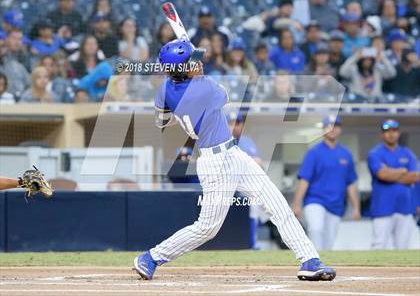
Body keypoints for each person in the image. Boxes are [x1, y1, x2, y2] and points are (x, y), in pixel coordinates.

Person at [133, 38, 336, 282]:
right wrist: (194, 74)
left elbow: (162, 120)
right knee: (207, 228)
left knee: (277, 204)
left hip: (235, 155)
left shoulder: (165, 89)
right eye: (191, 62)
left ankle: (309, 259)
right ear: (180, 69)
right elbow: (227, 96)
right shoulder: (205, 88)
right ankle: (151, 257)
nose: (197, 64)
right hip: (215, 163)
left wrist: (186, 69)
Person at [292, 115, 360, 250]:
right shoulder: (314, 152)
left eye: (336, 126)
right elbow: (304, 180)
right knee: (316, 229)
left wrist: (356, 207)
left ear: (340, 129)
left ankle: (323, 265)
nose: (332, 129)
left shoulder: (346, 154)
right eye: (329, 125)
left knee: (329, 241)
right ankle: (313, 261)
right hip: (315, 200)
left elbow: (351, 183)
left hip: (336, 204)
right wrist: (297, 204)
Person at [368, 119, 419, 249]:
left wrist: (390, 172)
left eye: (394, 130)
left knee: (403, 248)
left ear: (399, 133)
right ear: (381, 134)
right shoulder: (375, 153)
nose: (391, 134)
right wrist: (402, 171)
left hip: (405, 207)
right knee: (379, 246)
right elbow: (382, 175)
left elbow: (414, 177)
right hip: (382, 207)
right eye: (387, 131)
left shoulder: (407, 153)